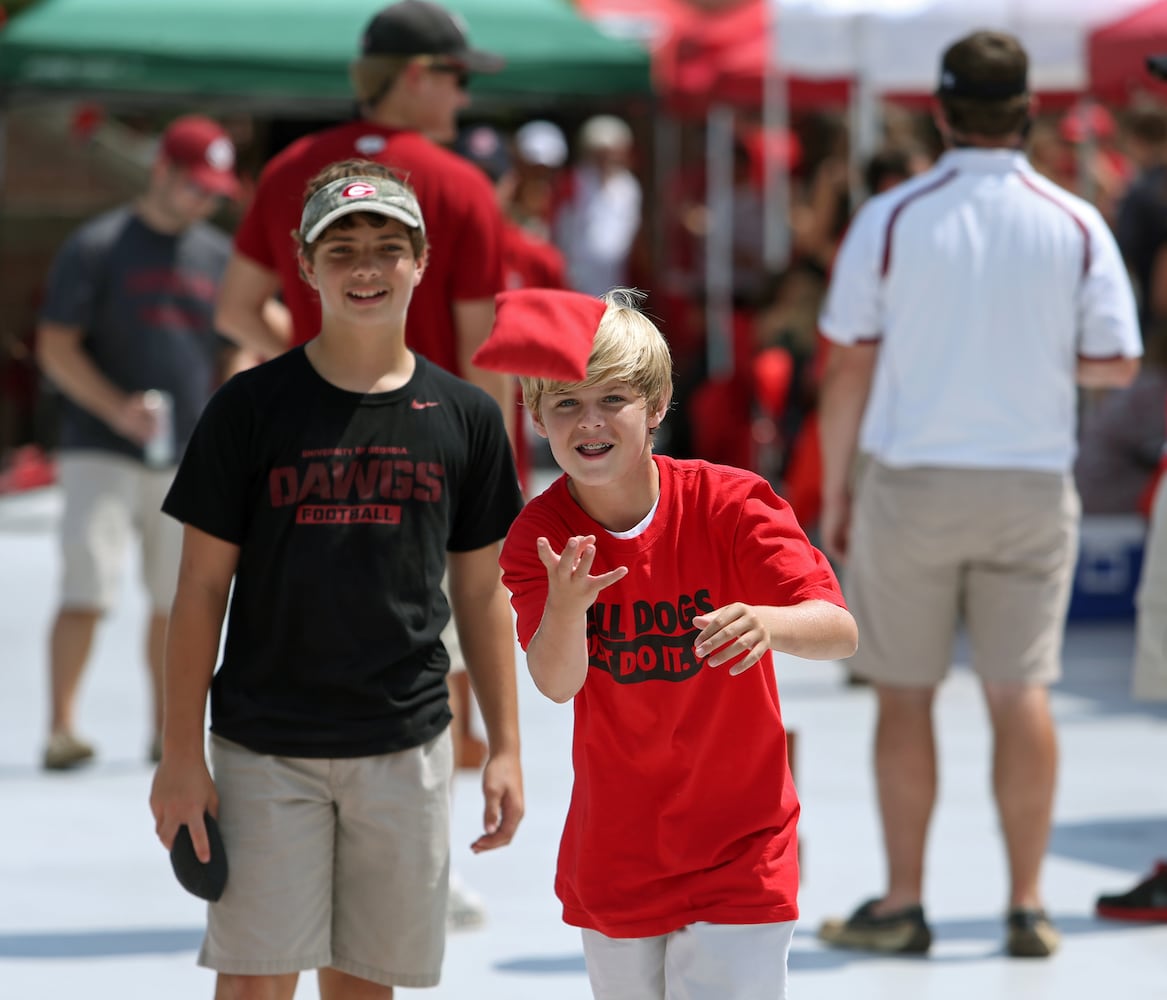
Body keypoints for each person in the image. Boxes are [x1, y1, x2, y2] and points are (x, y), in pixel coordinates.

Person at [149, 160, 525, 997]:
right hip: (262, 748)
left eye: (387, 248)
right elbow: (201, 591)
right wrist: (181, 755)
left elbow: (480, 593)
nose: (365, 268)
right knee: (253, 981)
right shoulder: (248, 409)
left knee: (364, 984)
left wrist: (504, 745)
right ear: (303, 262)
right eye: (342, 247)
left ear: (420, 261)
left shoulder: (466, 417)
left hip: (406, 746)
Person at [815, 30, 1142, 959]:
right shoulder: (1073, 218)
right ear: (1029, 111)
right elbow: (1116, 359)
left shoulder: (890, 216)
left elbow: (845, 367)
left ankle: (905, 901)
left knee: (904, 695)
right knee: (1020, 690)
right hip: (1032, 478)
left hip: (911, 477)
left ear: (941, 112)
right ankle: (1027, 902)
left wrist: (834, 495)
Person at [498, 287, 857, 999]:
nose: (589, 421)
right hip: (618, 851)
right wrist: (566, 608)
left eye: (613, 399)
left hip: (741, 847)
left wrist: (767, 621)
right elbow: (556, 681)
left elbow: (839, 631)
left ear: (657, 407)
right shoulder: (536, 534)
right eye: (565, 403)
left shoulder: (731, 504)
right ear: (536, 417)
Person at [35, 115, 242, 770]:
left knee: (175, 597)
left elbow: (236, 348)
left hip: (184, 455)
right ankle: (62, 728)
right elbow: (55, 347)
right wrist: (115, 409)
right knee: (87, 588)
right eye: (194, 187)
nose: (204, 201)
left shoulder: (216, 256)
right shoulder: (97, 245)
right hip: (98, 445)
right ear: (161, 172)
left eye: (214, 191)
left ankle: (166, 732)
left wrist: (227, 414)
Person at [214, 0, 514, 440]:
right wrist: (494, 472)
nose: (464, 96)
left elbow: (235, 311)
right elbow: (482, 355)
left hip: (313, 439)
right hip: (429, 448)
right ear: (416, 75)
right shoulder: (464, 186)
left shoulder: (285, 170)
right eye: (459, 77)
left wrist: (328, 362)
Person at [552, 115, 642, 297]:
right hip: (577, 273)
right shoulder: (575, 180)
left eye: (612, 151)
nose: (606, 158)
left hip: (616, 275)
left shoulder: (628, 185)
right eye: (601, 152)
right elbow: (561, 224)